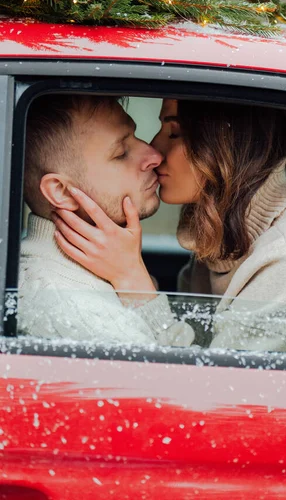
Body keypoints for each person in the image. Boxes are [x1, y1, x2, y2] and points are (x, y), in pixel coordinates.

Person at [54, 98, 286, 356]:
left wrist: (133, 281)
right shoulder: (224, 231)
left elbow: (213, 401)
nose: (154, 150)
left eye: (174, 133)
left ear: (227, 144)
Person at [19, 94, 194, 346]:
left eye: (135, 136)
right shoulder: (79, 315)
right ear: (61, 191)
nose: (154, 155)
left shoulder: (92, 275)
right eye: (121, 153)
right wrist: (137, 285)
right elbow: (188, 383)